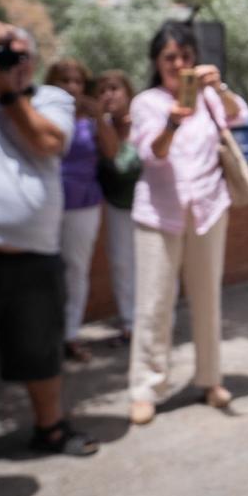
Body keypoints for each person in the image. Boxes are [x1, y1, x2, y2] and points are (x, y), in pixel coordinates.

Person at [0, 20, 98, 478]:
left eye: (20, 53)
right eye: (1, 52)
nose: (11, 62)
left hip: (37, 251)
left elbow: (47, 142)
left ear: (36, 61)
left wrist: (6, 95)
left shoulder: (51, 99)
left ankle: (51, 428)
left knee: (41, 348)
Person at [127, 22, 248, 425]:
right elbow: (152, 154)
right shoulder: (147, 103)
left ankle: (210, 378)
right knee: (154, 304)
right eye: (170, 58)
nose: (179, 64)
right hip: (159, 215)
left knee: (208, 299)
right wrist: (173, 122)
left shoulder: (211, 99)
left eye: (185, 56)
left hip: (209, 210)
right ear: (157, 62)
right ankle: (146, 386)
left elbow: (240, 115)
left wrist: (221, 88)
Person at [44, 58, 107, 362]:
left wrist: (100, 117)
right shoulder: (41, 112)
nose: (71, 87)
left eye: (77, 81)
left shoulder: (91, 120)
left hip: (83, 202)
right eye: (64, 81)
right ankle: (41, 337)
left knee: (77, 270)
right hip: (46, 201)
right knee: (43, 271)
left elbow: (111, 152)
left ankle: (70, 335)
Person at [95, 70, 142, 343]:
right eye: (101, 90)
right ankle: (129, 321)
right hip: (116, 205)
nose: (108, 95)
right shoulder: (99, 128)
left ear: (128, 92)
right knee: (121, 264)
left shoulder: (145, 121)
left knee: (151, 262)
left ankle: (158, 319)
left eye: (114, 88)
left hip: (148, 205)